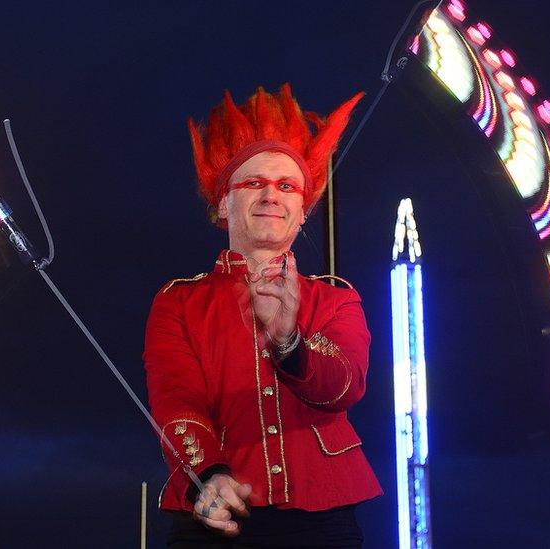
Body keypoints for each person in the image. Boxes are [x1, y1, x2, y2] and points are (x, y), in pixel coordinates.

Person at [144, 84, 382, 548]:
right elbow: (177, 401)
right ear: (221, 204)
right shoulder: (178, 302)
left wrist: (289, 340)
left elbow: (344, 387)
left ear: (301, 212)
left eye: (287, 186)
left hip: (323, 520)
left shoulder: (336, 300)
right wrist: (208, 474)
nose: (272, 195)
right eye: (253, 183)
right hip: (213, 517)